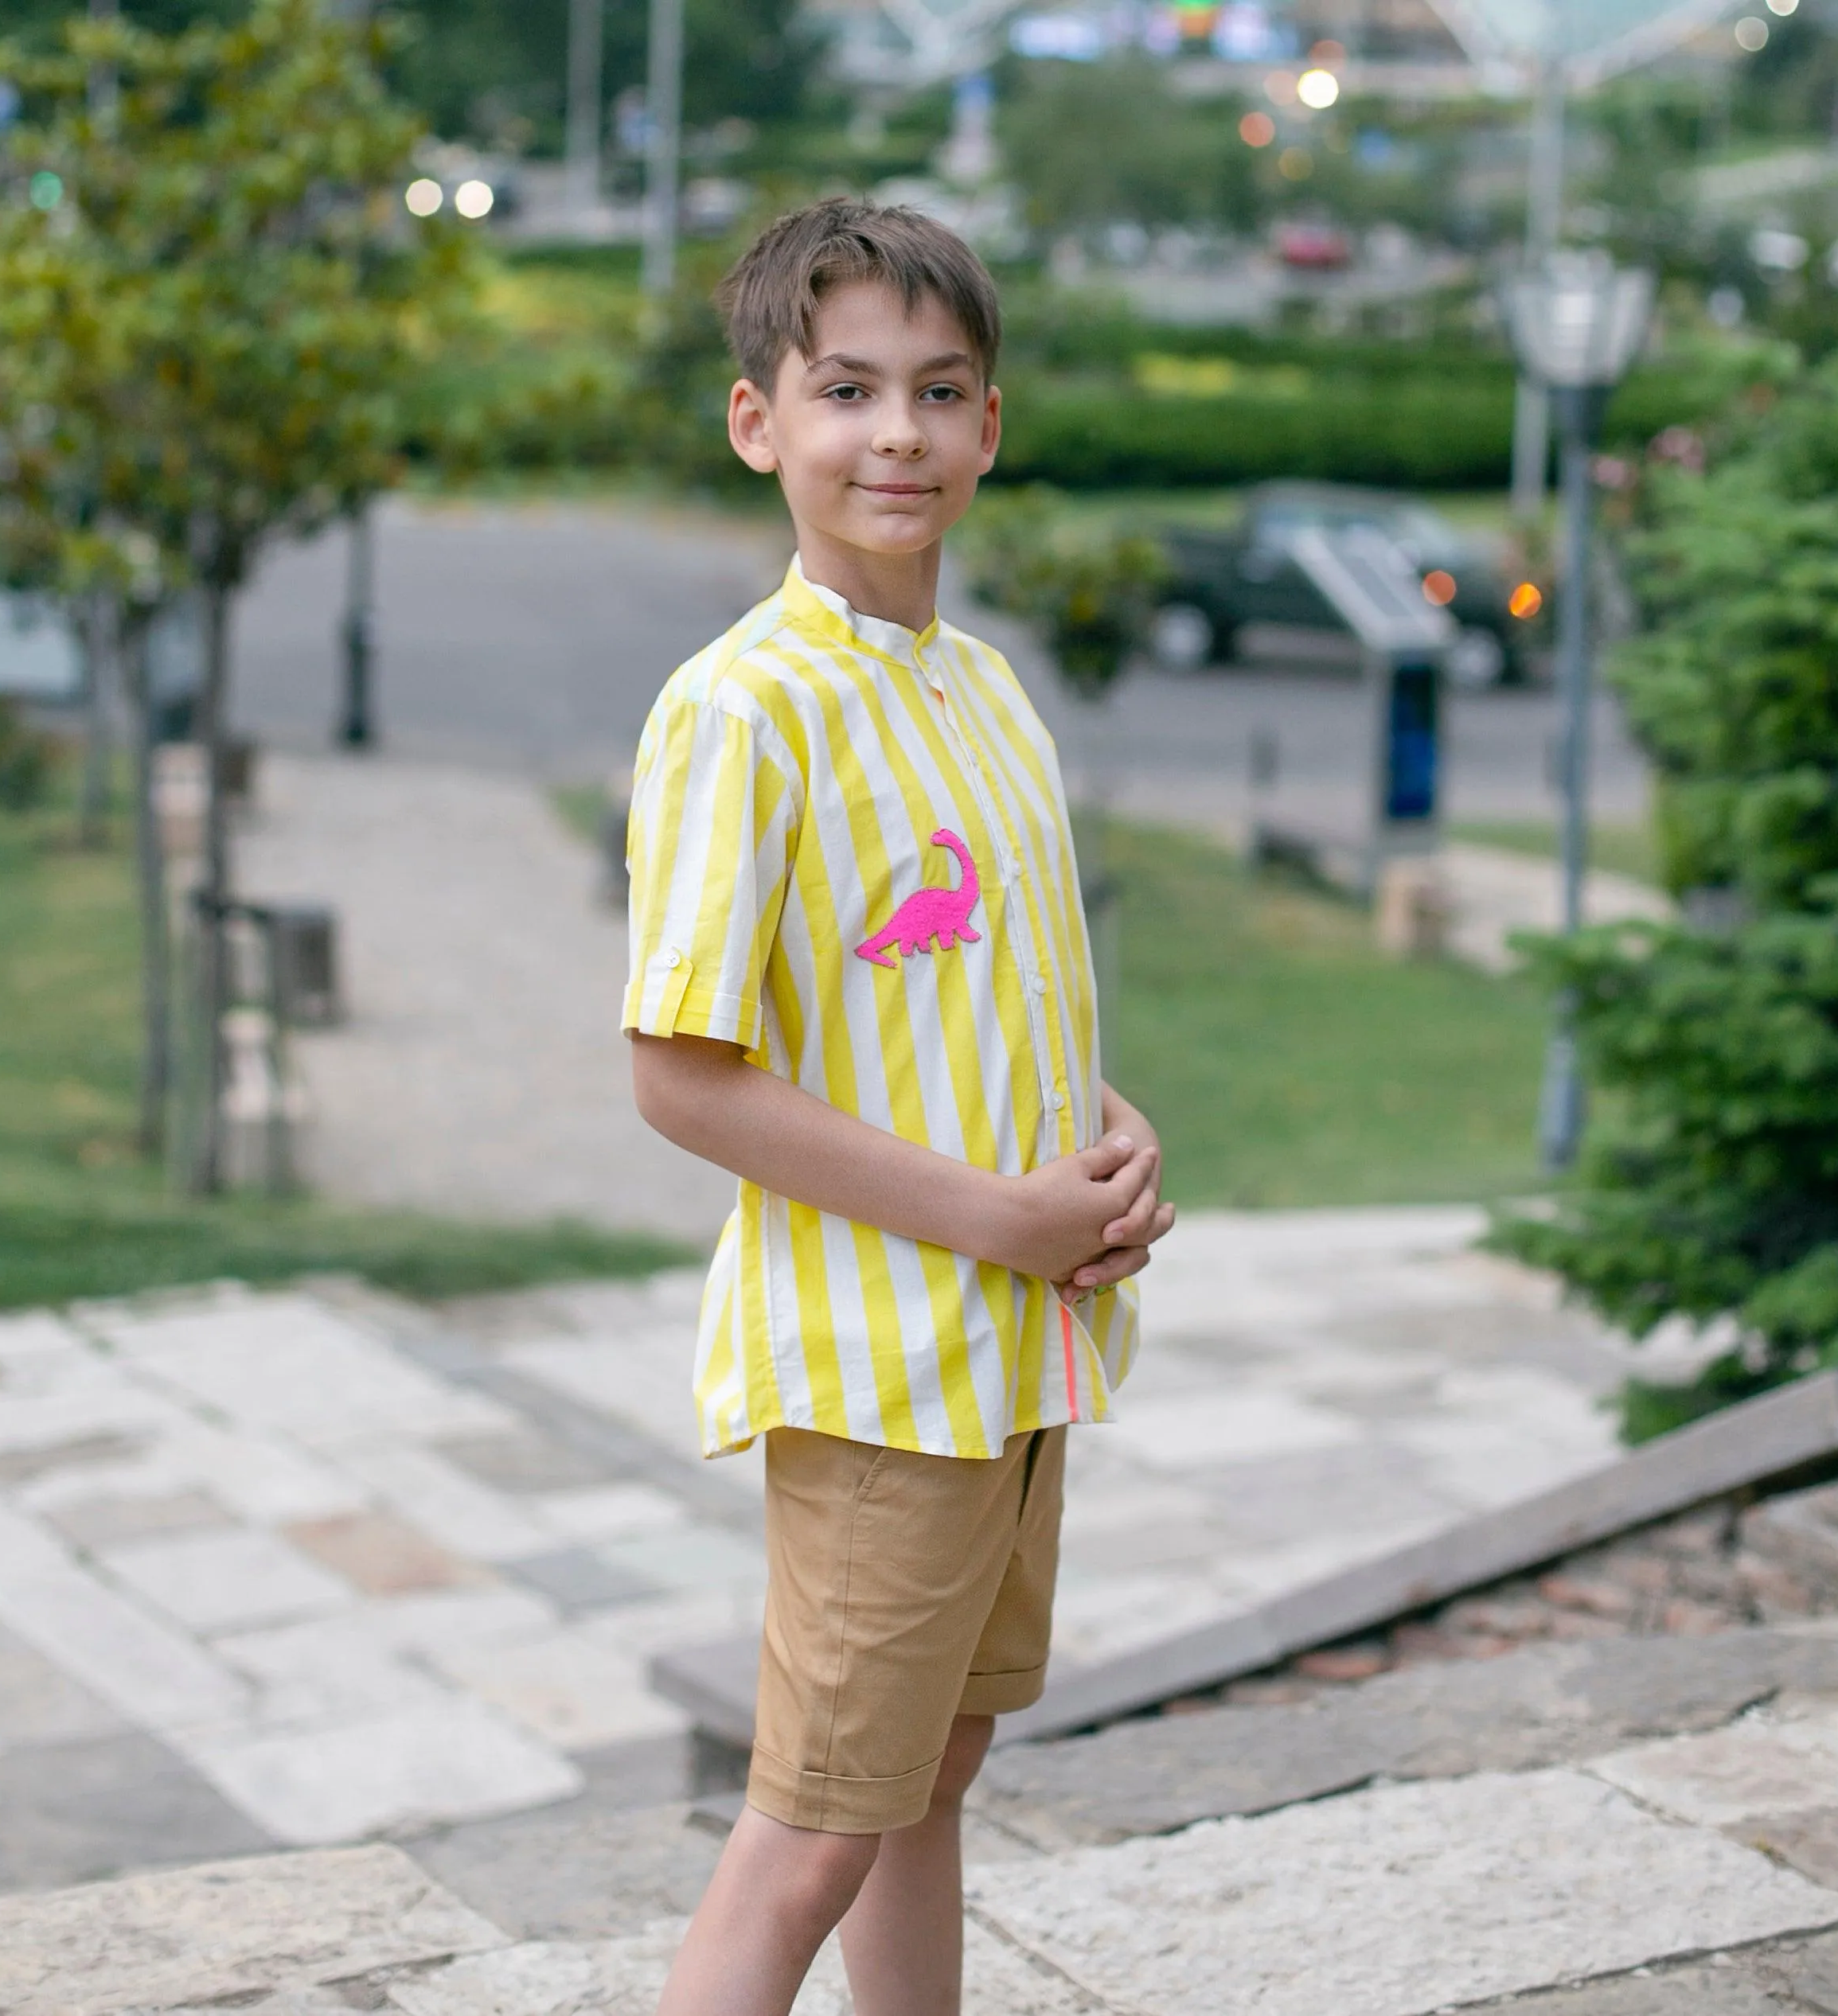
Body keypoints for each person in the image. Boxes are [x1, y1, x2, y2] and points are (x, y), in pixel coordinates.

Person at [622, 197, 1175, 2016]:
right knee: (806, 1838)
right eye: (847, 388)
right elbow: (680, 1071)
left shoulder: (988, 691)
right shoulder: (740, 710)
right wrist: (993, 1220)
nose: (899, 435)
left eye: (941, 393)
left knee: (929, 1780)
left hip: (1020, 1347)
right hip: (885, 1367)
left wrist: (1102, 1137)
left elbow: (976, 998)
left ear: (991, 427)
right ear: (756, 420)